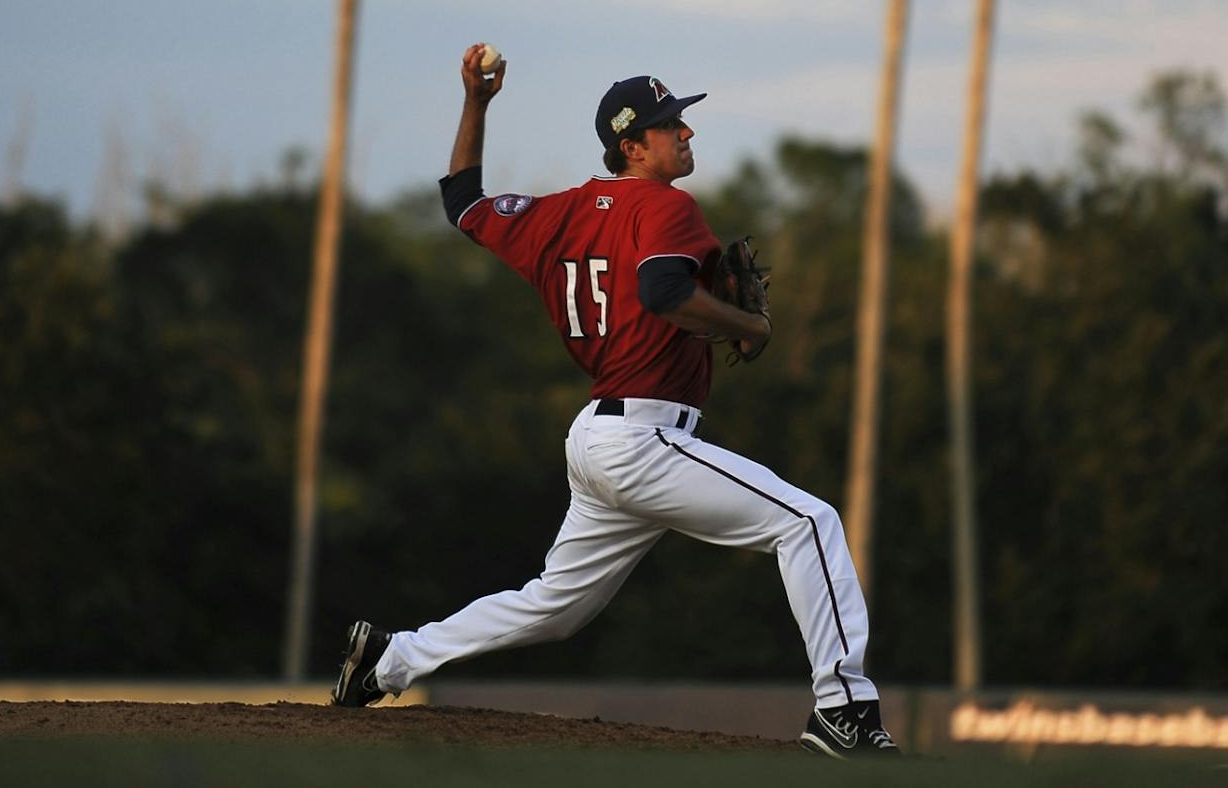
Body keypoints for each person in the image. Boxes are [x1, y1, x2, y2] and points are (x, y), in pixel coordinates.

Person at [331, 43, 899, 758]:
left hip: (601, 439)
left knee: (556, 605)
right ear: (631, 147)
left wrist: (477, 103)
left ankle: (387, 659)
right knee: (809, 523)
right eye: (669, 125)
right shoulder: (666, 207)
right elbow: (662, 293)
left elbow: (463, 201)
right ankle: (844, 708)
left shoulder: (559, 214)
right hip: (644, 440)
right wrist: (749, 325)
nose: (686, 132)